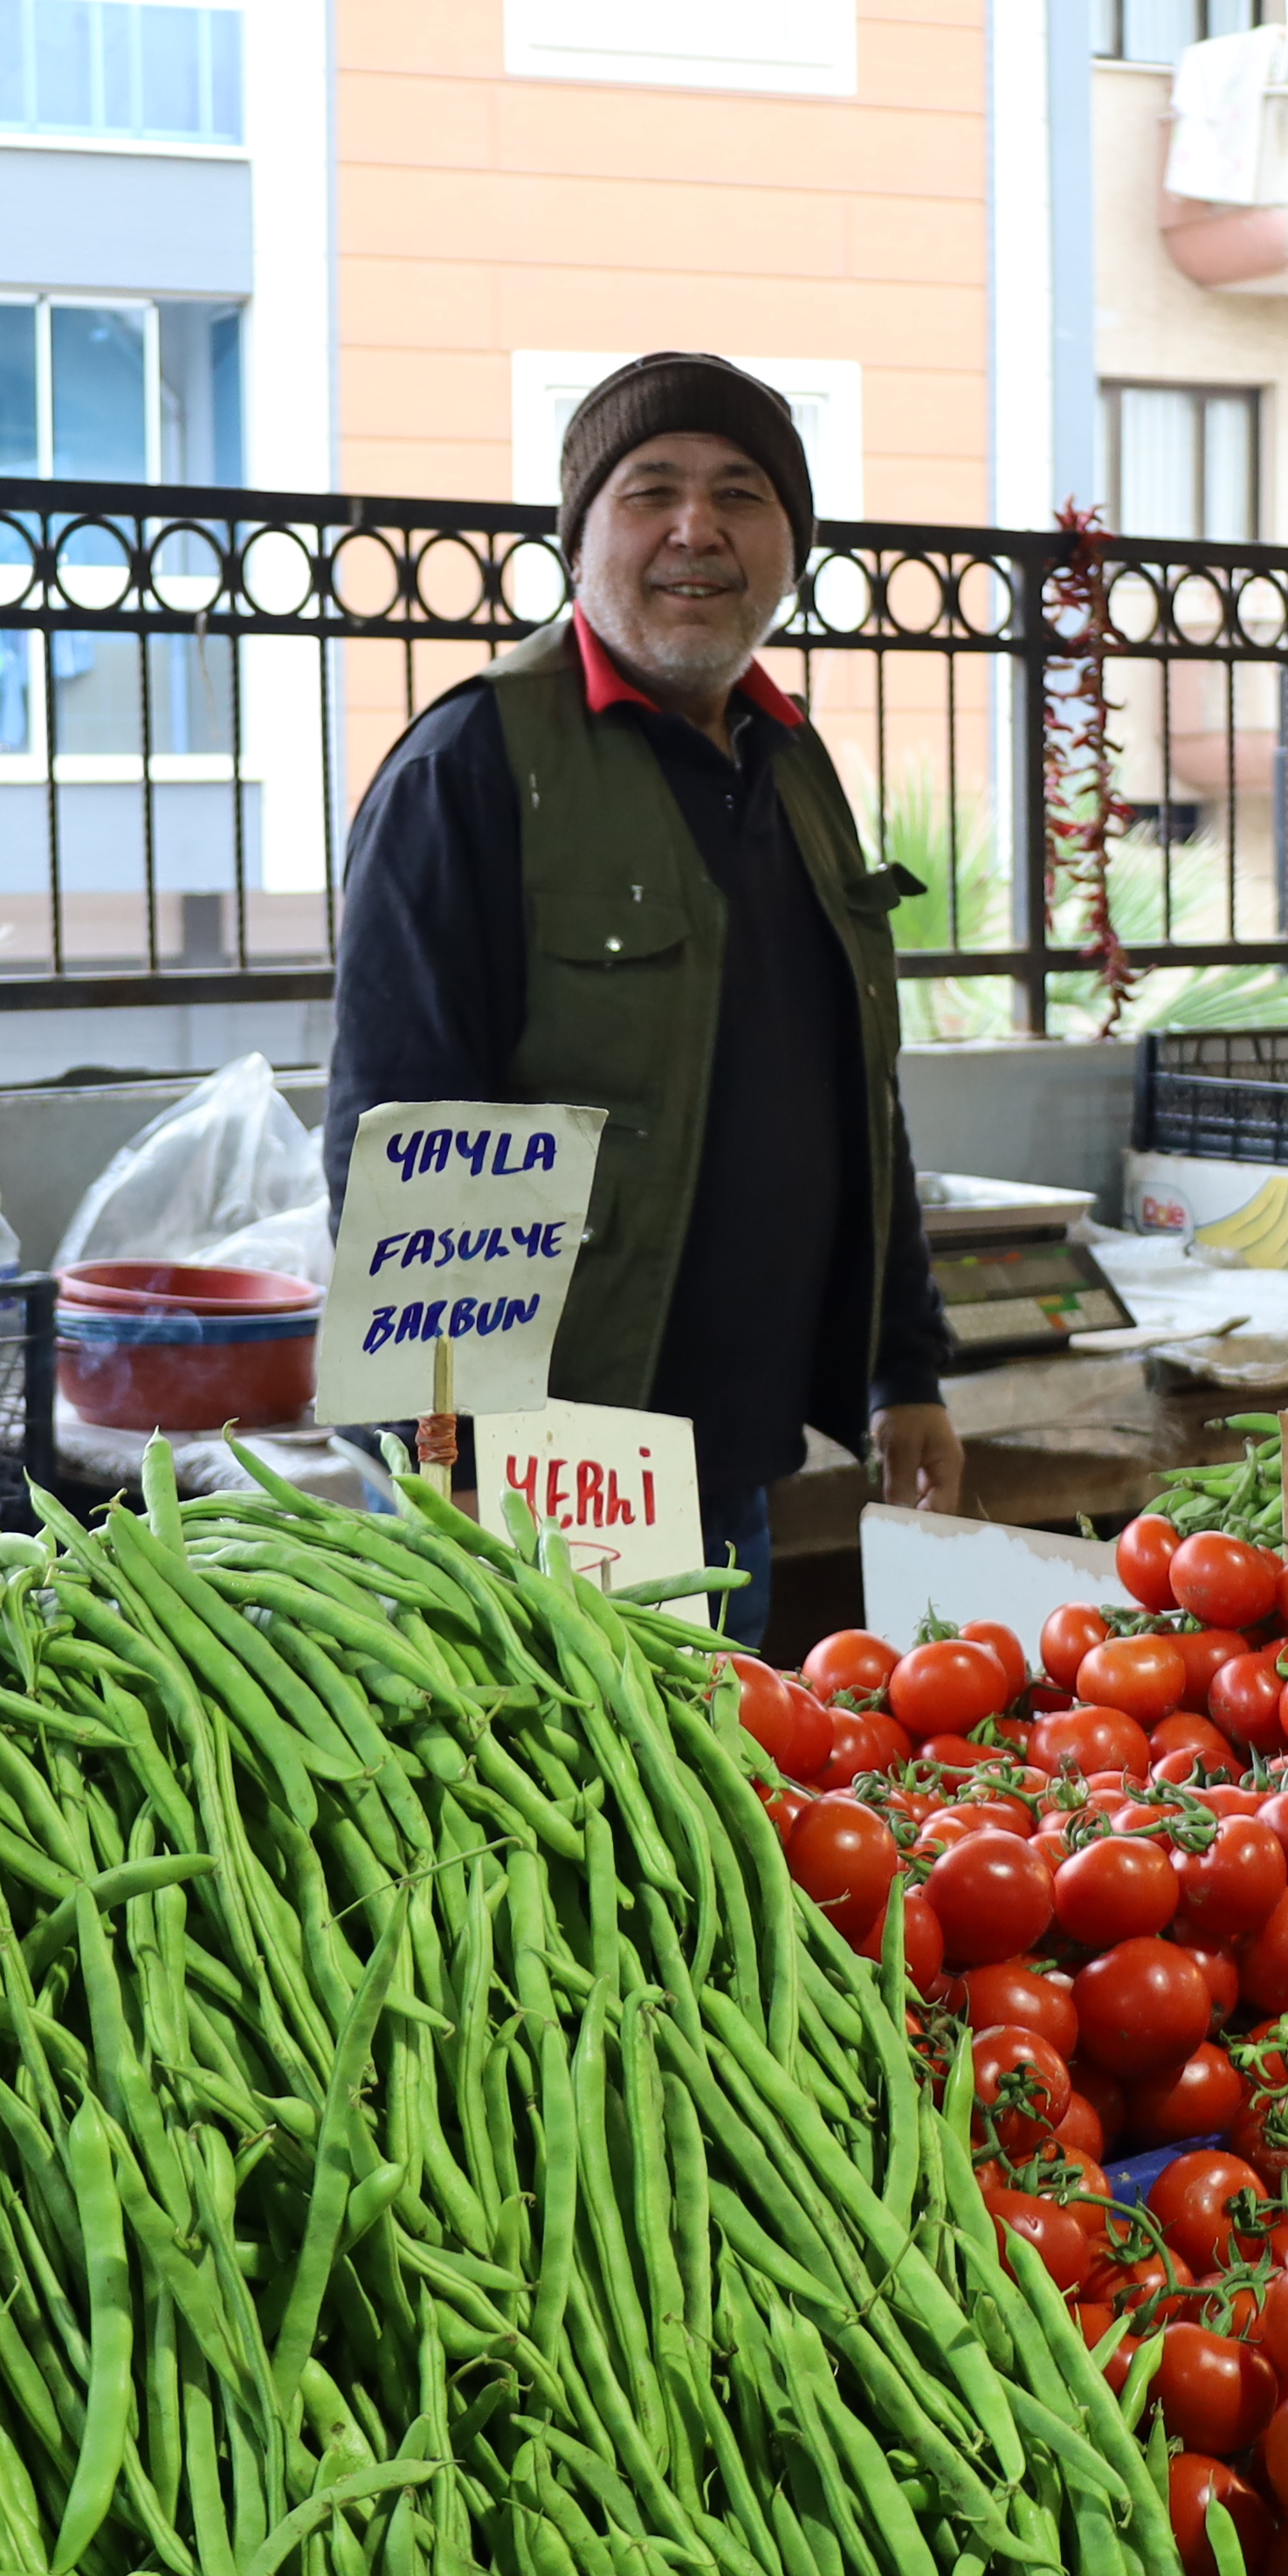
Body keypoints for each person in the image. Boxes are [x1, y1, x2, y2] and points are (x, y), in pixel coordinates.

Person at [327, 350, 961, 1643]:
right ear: (579, 540)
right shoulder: (476, 765)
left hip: (735, 1450)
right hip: (538, 1468)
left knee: (707, 1819)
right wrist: (441, 1449)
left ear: (789, 546)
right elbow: (400, 1135)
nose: (697, 529)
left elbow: (857, 1091)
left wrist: (906, 1365)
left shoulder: (792, 764)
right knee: (549, 1828)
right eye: (650, 491)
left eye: (742, 494)